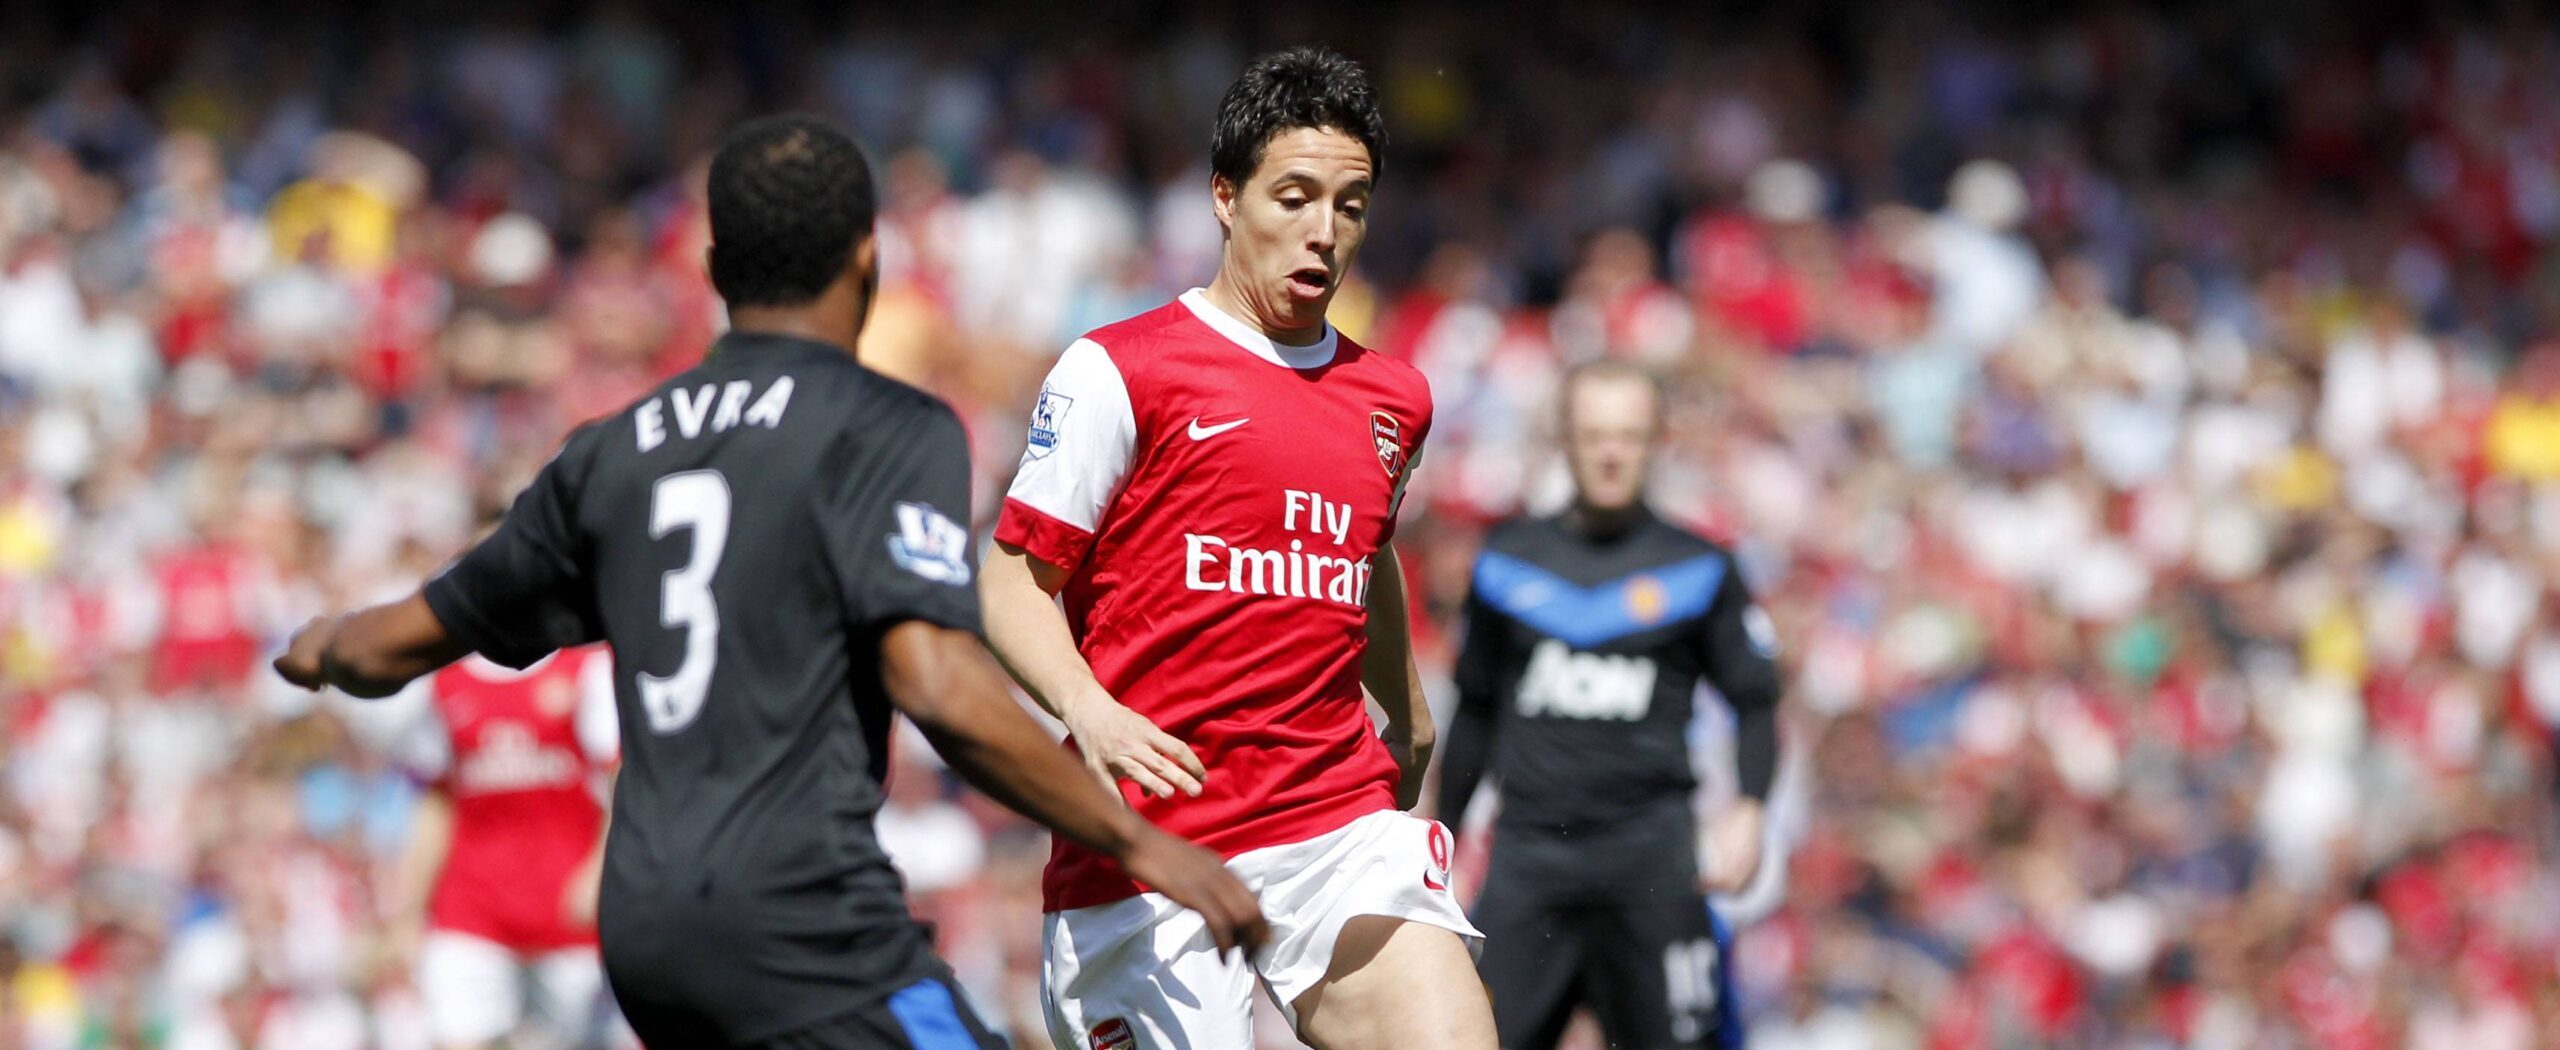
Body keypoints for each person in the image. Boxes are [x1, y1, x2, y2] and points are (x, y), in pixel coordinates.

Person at [273, 114, 1267, 1050]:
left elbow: (394, 643)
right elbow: (936, 682)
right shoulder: (886, 425)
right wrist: (1145, 846)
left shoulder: (610, 452)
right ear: (866, 260)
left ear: (715, 271)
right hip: (800, 917)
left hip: (646, 936)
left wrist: (322, 647)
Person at [977, 45, 1496, 1050]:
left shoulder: (1393, 397)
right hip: (1147, 845)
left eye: (1348, 206)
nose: (1322, 231)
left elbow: (1361, 548)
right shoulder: (1119, 370)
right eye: (1293, 197)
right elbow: (1008, 580)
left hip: (1333, 823)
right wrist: (1089, 707)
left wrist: (1409, 708)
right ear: (1224, 197)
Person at [1437, 362, 1783, 1050]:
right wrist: (1438, 839)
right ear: (1565, 438)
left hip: (1652, 866)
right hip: (1530, 865)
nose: (1610, 452)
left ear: (1657, 441)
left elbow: (1757, 701)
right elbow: (1474, 711)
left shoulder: (1700, 567)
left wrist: (1749, 809)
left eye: (1628, 435)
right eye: (1594, 434)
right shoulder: (1507, 561)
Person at [372, 644, 620, 1050]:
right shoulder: (446, 682)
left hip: (564, 911)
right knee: (457, 1037)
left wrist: (599, 870)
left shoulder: (582, 668)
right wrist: (408, 913)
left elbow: (620, 780)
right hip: (471, 906)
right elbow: (436, 803)